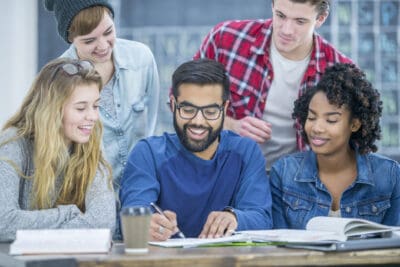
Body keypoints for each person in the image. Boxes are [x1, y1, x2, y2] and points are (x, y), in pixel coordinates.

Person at [120, 59, 272, 241]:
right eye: (188, 109)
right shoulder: (148, 153)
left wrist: (235, 218)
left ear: (225, 108)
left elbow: (261, 217)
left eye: (210, 111)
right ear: (173, 104)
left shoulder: (246, 152)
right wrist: (145, 224)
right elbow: (133, 212)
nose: (198, 121)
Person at [194, 0, 352, 170]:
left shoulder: (342, 72)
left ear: (320, 18)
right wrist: (231, 125)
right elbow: (181, 104)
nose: (286, 30)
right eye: (280, 16)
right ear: (272, 6)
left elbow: (348, 146)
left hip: (300, 185)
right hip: (223, 173)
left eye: (300, 21)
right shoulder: (224, 39)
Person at [44, 0, 160, 190]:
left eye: (108, 32)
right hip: (90, 195)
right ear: (70, 38)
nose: (103, 46)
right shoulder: (57, 79)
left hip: (142, 188)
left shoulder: (141, 58)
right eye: (89, 40)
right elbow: (57, 151)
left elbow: (152, 123)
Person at [271, 63, 400, 229]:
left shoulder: (389, 175)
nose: (317, 128)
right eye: (311, 118)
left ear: (354, 124)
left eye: (331, 120)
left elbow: (394, 245)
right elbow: (278, 243)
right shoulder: (283, 173)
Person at [0, 58, 116, 241]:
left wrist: (30, 226)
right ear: (51, 110)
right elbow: (3, 222)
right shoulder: (13, 143)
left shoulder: (91, 142)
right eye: (80, 108)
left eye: (96, 106)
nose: (93, 117)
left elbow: (103, 223)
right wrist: (67, 213)